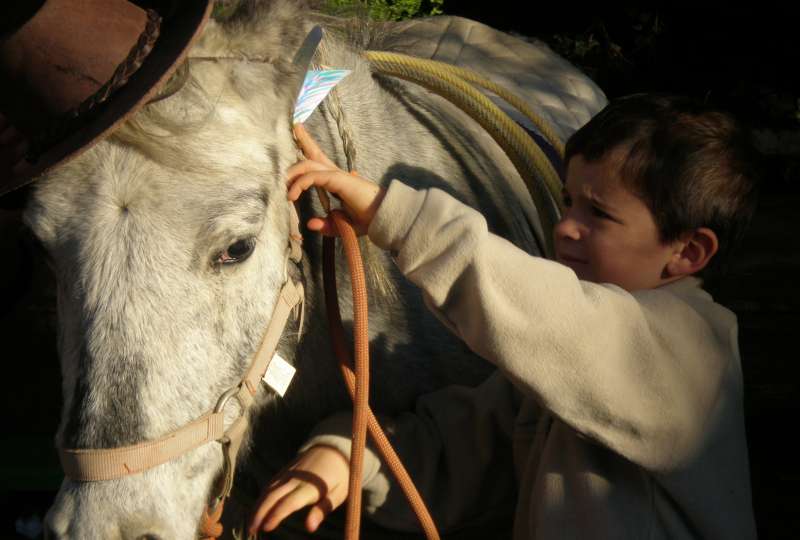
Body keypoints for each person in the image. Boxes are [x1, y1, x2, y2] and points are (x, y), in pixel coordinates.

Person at [248, 94, 760, 539]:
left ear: (688, 252)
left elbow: (552, 319)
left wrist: (397, 218)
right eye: (568, 202)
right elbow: (456, 447)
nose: (565, 228)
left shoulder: (692, 353)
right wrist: (348, 457)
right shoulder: (558, 377)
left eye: (598, 213)